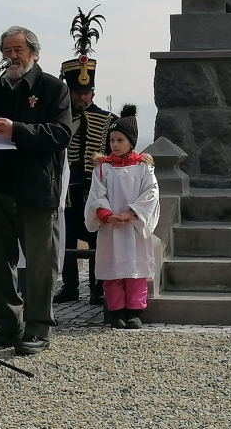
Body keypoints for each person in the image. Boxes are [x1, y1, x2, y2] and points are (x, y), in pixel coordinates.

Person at [0, 26, 72, 356]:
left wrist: (16, 130)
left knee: (39, 263)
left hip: (35, 191)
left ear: (34, 53)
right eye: (6, 50)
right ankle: (7, 325)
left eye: (18, 49)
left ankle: (38, 327)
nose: (11, 56)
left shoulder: (52, 89)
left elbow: (60, 134)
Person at [54, 8, 117, 305]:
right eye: (78, 92)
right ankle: (69, 286)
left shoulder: (107, 120)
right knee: (65, 237)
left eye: (87, 92)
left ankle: (96, 287)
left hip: (94, 187)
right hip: (66, 186)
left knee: (95, 238)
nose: (83, 97)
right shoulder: (57, 118)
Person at [84, 105, 159, 329]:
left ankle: (134, 311)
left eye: (119, 140)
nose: (114, 145)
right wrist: (107, 216)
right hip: (111, 227)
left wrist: (129, 214)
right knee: (113, 271)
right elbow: (96, 194)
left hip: (133, 227)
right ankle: (115, 312)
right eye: (112, 140)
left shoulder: (144, 168)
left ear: (131, 142)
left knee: (135, 271)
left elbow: (151, 194)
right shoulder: (103, 168)